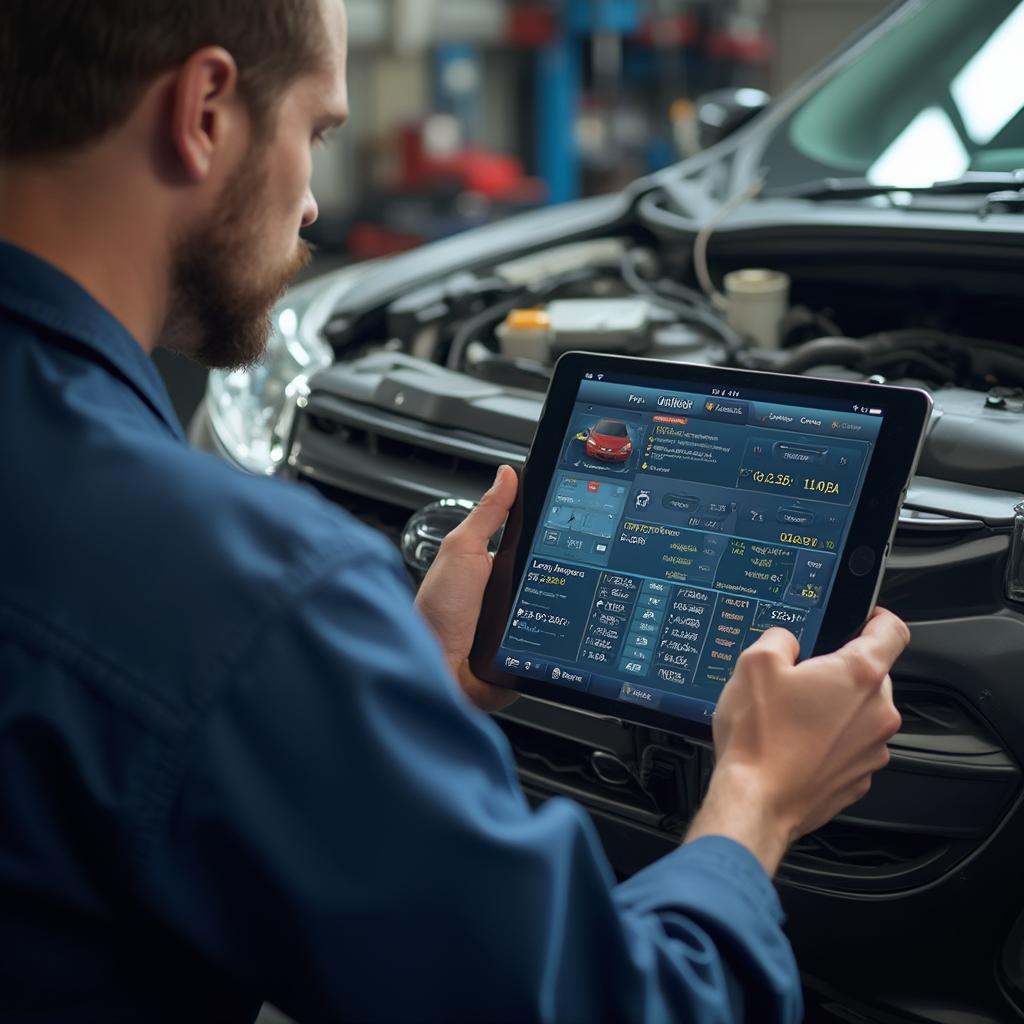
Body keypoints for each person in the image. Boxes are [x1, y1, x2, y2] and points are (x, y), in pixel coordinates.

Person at [0, 1, 907, 1021]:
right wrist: (756, 796)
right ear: (205, 109)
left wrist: (388, 692)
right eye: (318, 132)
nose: (309, 203)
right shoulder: (241, 595)